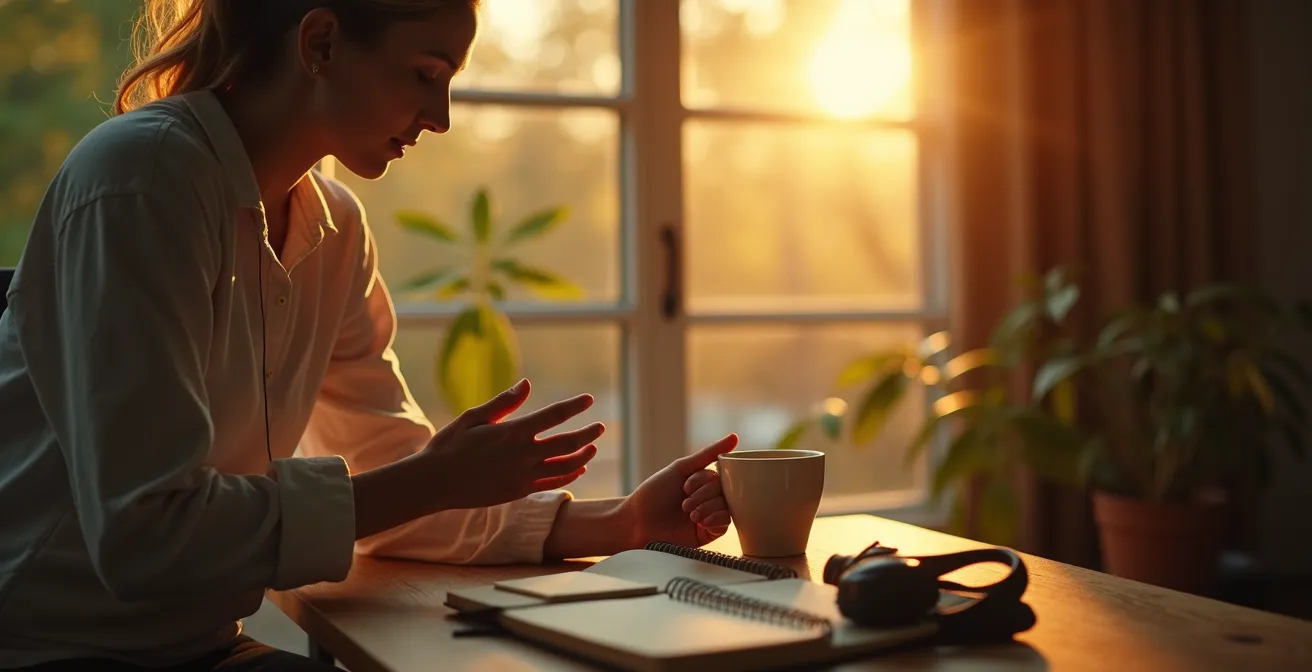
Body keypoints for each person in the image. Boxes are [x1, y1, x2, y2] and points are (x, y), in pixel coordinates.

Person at [0, 1, 739, 669]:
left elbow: (384, 469)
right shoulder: (144, 178)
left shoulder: (335, 228)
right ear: (320, 42)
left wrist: (622, 520)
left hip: (199, 648)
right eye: (426, 73)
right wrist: (430, 478)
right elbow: (144, 536)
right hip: (48, 645)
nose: (442, 115)